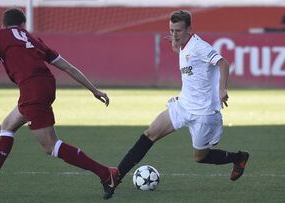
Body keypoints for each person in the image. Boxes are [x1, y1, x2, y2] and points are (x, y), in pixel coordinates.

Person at [0, 8, 118, 198]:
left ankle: (106, 173)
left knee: (50, 146)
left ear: (2, 25)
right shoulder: (33, 39)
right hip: (44, 85)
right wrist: (94, 90)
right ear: (23, 25)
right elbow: (68, 67)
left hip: (33, 91)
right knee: (7, 125)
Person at [103, 10, 250, 200]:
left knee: (200, 157)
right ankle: (116, 177)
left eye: (178, 31)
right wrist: (174, 43)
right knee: (150, 133)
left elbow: (223, 63)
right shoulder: (182, 44)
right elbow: (182, 52)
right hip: (183, 106)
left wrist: (222, 90)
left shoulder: (199, 47)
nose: (174, 34)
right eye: (171, 30)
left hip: (203, 114)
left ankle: (238, 158)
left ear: (189, 29)